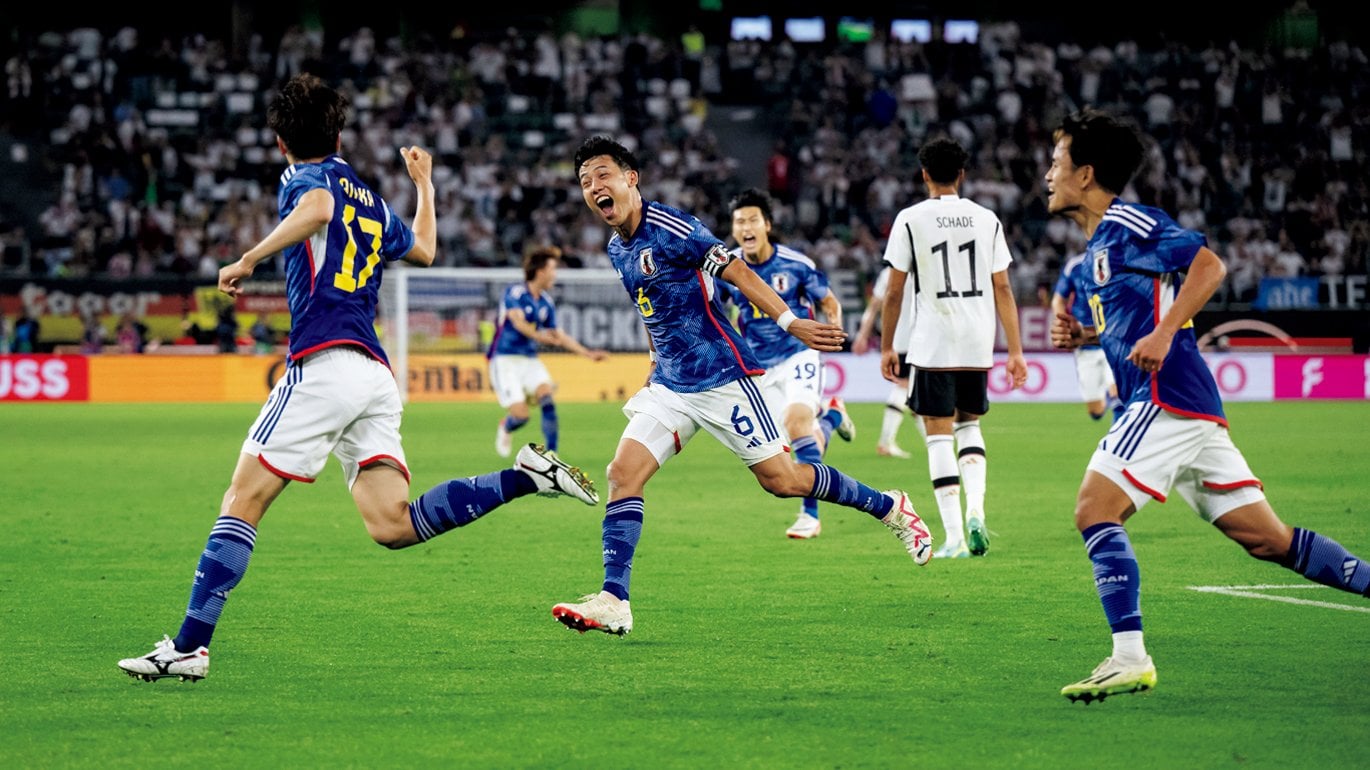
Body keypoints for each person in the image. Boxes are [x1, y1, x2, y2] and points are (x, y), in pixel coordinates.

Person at [117, 74, 600, 684]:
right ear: (340, 134)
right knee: (392, 524)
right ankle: (523, 477)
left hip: (325, 362)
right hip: (374, 374)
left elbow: (316, 208)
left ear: (279, 143)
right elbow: (424, 251)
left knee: (242, 501)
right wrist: (424, 185)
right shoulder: (369, 197)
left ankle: (189, 646)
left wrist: (249, 258)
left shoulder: (302, 178)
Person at [1046, 107, 1370, 703]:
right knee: (1270, 541)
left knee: (1094, 509)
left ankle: (1129, 657)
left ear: (1086, 173)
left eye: (1057, 161)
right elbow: (1135, 318)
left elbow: (1208, 265)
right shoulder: (1101, 244)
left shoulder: (1131, 221)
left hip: (1164, 397)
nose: (1047, 173)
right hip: (1188, 407)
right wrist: (1089, 338)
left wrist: (1166, 332)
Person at [551, 136, 933, 636]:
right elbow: (649, 307)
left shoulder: (670, 227)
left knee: (784, 480)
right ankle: (614, 599)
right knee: (622, 473)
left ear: (631, 178)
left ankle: (891, 507)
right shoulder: (618, 248)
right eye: (584, 182)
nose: (593, 186)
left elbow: (734, 268)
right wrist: (652, 359)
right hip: (672, 384)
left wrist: (791, 320)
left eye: (603, 174)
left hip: (722, 377)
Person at [879, 136, 1028, 560]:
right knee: (970, 426)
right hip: (978, 341)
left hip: (932, 341)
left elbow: (894, 291)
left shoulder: (910, 219)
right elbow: (1003, 286)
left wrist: (889, 345)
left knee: (937, 434)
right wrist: (1015, 352)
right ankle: (977, 511)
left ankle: (953, 537)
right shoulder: (987, 219)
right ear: (961, 174)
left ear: (924, 174)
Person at [723, 187, 854, 540]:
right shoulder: (727, 269)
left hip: (799, 354)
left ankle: (810, 515)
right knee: (789, 447)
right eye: (739, 222)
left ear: (767, 225)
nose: (746, 227)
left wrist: (835, 329)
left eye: (752, 220)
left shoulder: (796, 265)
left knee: (797, 426)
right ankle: (833, 418)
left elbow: (829, 301)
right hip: (759, 367)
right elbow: (715, 310)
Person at [489, 245, 608, 458]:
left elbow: (559, 336)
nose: (555, 274)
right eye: (553, 269)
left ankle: (552, 456)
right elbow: (519, 323)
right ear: (541, 271)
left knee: (548, 400)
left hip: (530, 360)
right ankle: (506, 427)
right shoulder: (515, 292)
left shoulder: (546, 302)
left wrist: (587, 353)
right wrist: (541, 337)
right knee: (521, 416)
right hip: (505, 360)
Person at [852, 264, 918, 459]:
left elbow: (874, 305)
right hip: (913, 340)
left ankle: (934, 443)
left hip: (898, 339)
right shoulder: (924, 268)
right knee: (905, 388)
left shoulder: (888, 273)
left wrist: (862, 335)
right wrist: (863, 335)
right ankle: (885, 442)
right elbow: (875, 305)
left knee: (914, 393)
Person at [1051, 252, 1121, 421]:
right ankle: (1107, 394)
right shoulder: (1075, 266)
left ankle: (1119, 441)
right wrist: (1065, 324)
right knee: (1095, 412)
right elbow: (1058, 299)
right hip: (1085, 344)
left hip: (1114, 340)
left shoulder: (1119, 259)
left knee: (1119, 398)